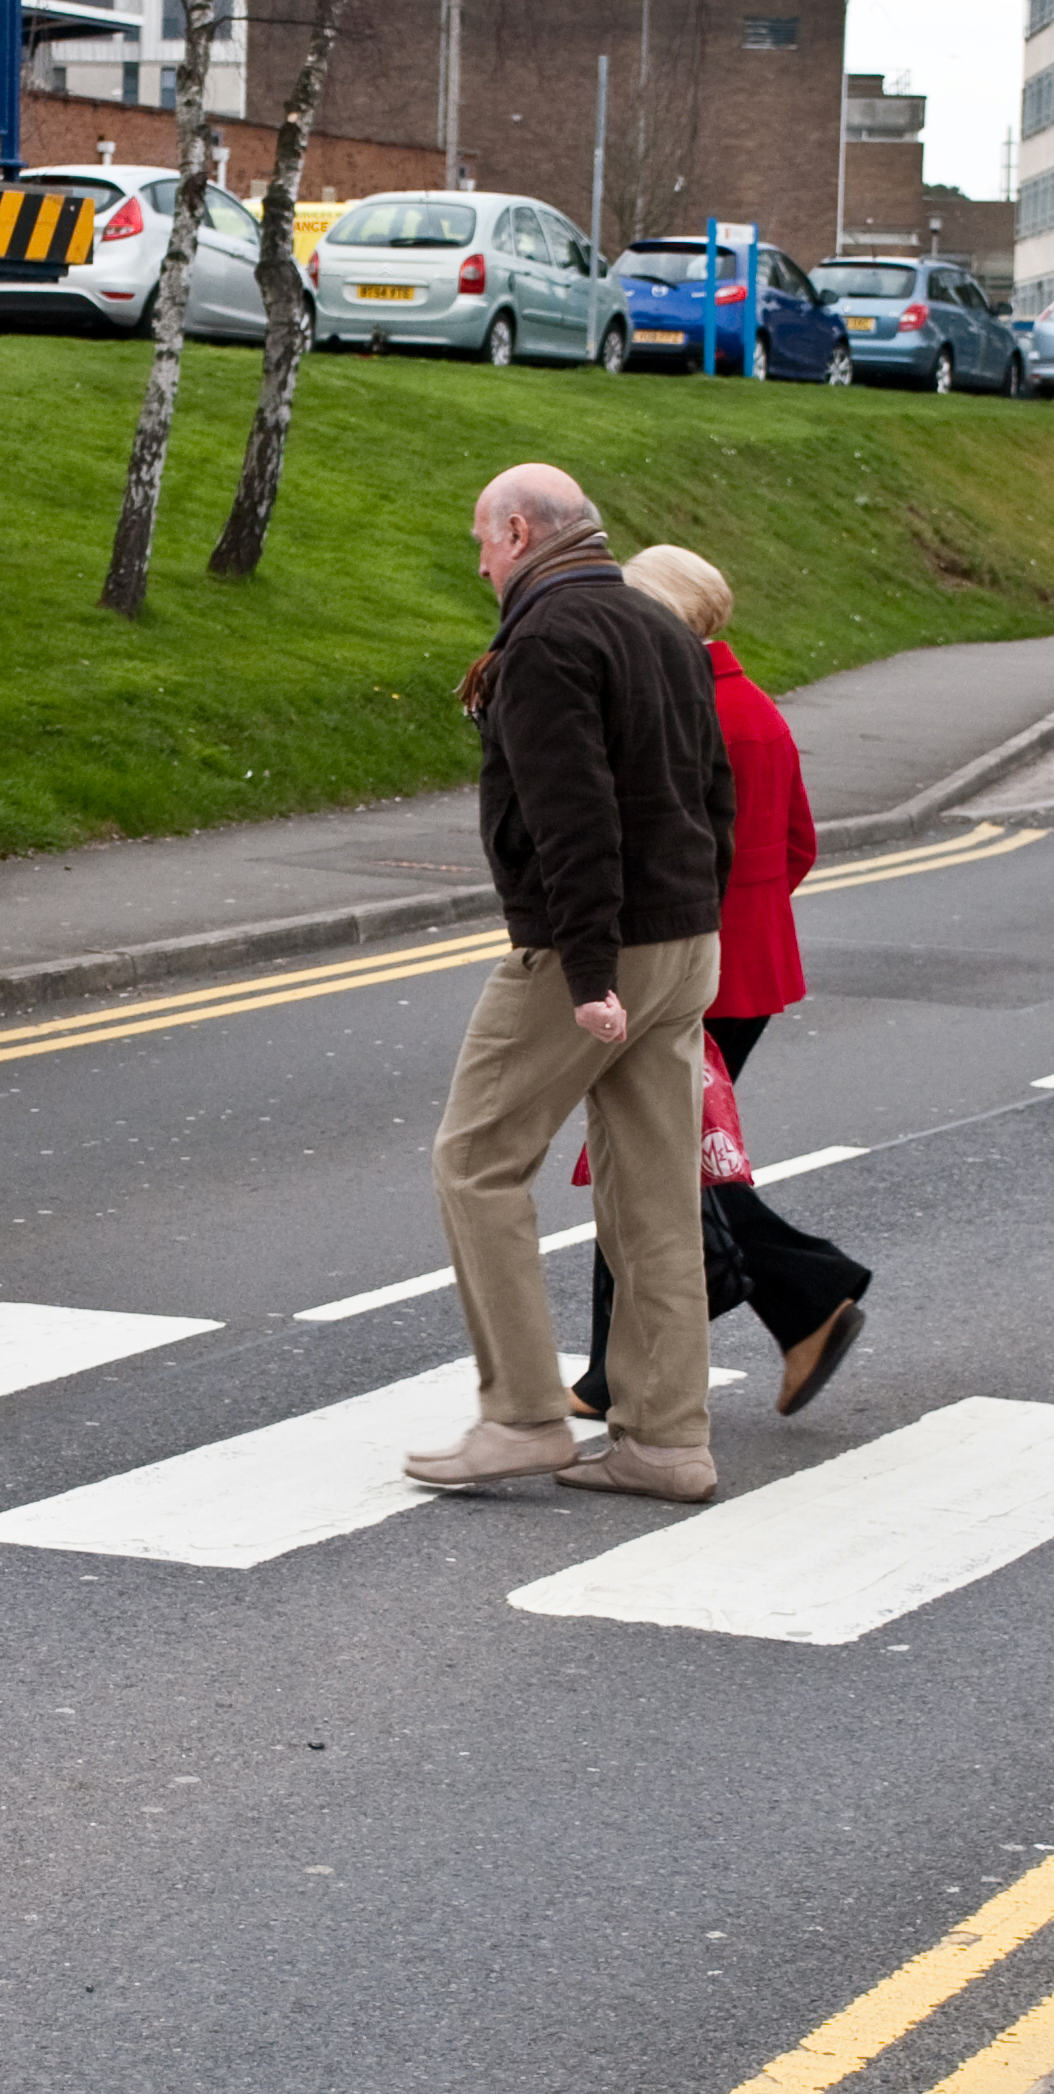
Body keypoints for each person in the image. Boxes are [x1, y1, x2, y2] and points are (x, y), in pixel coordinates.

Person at [402, 465, 739, 1504]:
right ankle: (667, 1441)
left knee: (475, 1160)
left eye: (482, 543)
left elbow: (573, 819)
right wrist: (691, 925)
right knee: (652, 1199)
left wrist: (588, 970)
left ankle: (519, 1417)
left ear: (519, 531)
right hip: (684, 938)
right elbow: (710, 792)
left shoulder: (547, 641)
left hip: (590, 951)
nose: (479, 564)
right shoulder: (660, 630)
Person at [565, 544, 870, 1422]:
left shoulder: (681, 710)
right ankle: (788, 1307)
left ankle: (805, 1295)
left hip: (689, 973)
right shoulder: (759, 709)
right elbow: (799, 844)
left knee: (648, 1161)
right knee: (672, 1157)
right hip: (753, 969)